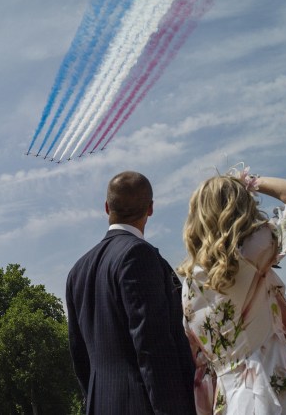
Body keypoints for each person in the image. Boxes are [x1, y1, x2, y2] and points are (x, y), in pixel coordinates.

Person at [179, 168, 286, 414]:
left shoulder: (189, 283)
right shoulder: (253, 252)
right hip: (268, 383)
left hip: (228, 395)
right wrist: (252, 182)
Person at [66, 171, 195, 414]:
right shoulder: (138, 255)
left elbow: (79, 354)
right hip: (141, 404)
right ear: (151, 209)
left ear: (106, 207)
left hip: (100, 404)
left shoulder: (77, 271)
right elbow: (152, 345)